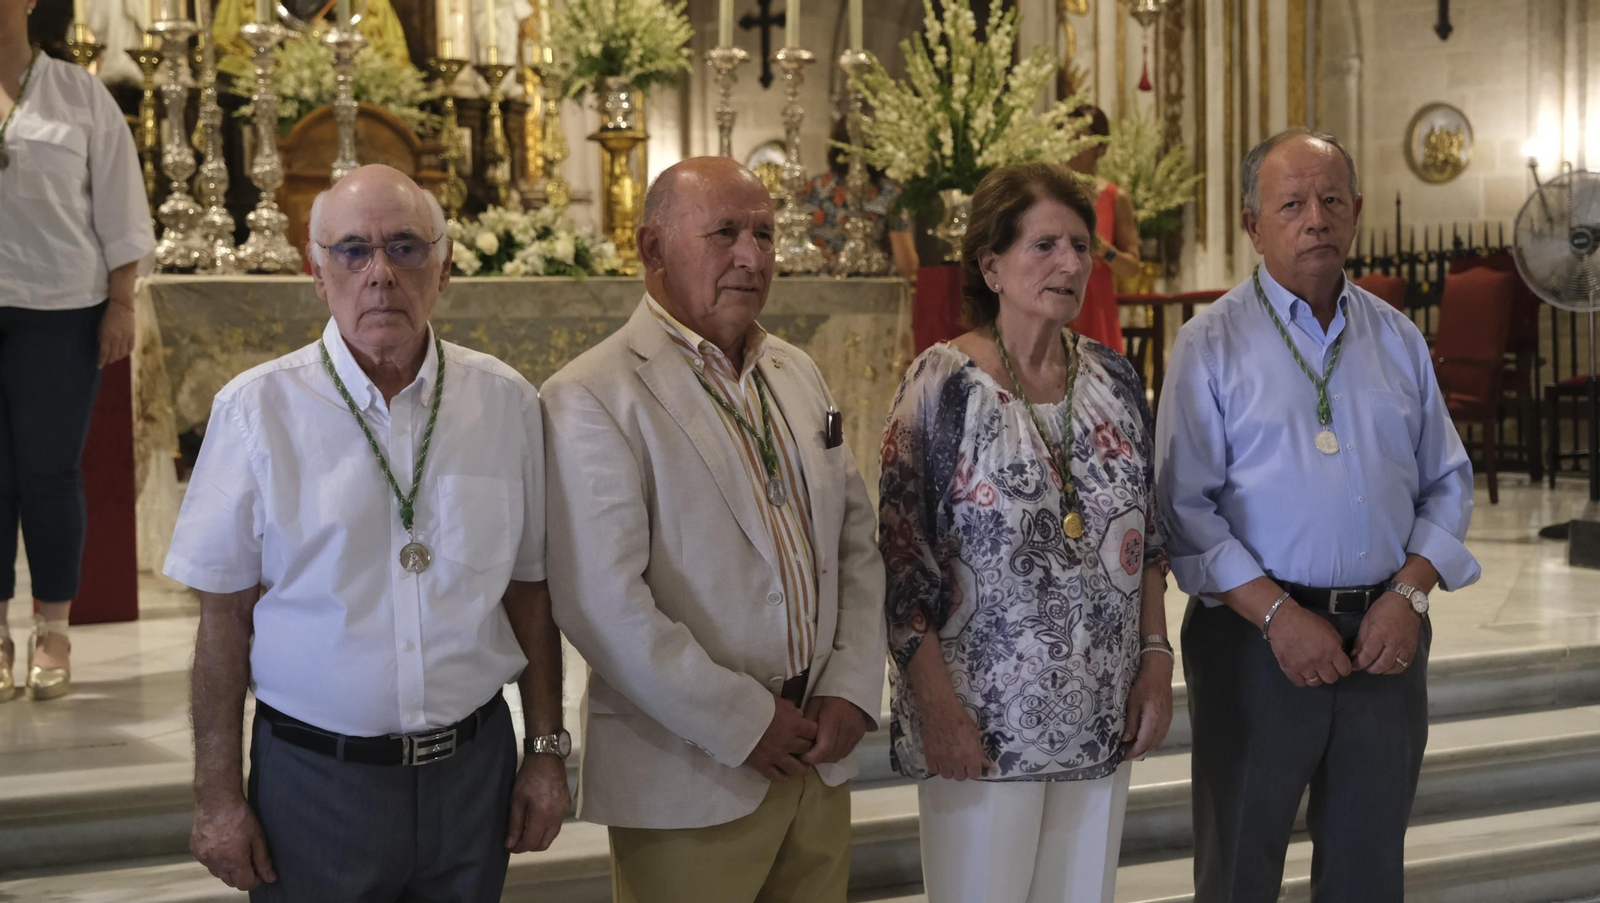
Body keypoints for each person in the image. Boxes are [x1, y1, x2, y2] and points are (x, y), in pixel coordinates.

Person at [164, 165, 570, 901]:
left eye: (406, 247)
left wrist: (546, 752)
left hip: (474, 779)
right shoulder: (257, 412)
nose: (380, 273)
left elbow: (531, 595)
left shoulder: (506, 403)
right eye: (352, 250)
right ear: (315, 272)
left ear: (444, 267)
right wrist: (216, 797)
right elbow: (222, 621)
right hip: (317, 787)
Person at [542, 156, 887, 903]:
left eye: (764, 234)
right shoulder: (591, 395)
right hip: (691, 768)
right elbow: (602, 603)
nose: (751, 256)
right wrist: (742, 722)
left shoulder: (796, 373)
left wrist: (851, 687)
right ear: (651, 248)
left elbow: (855, 543)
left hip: (816, 750)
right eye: (725, 232)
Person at [1155, 129, 1479, 902]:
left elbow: (1448, 480)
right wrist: (1276, 616)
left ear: (1358, 210)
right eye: (1292, 203)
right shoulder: (1211, 345)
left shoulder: (1396, 336)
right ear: (1251, 224)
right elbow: (1183, 508)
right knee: (1240, 868)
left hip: (1384, 643)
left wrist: (1409, 594)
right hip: (1253, 648)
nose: (1316, 219)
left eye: (1332, 200)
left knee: (1368, 874)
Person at [879, 162, 1173, 903]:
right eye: (1045, 245)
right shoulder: (940, 385)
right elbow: (900, 564)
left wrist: (1155, 660)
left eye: (1081, 245)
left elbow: (1149, 544)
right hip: (982, 724)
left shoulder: (1113, 378)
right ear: (991, 263)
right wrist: (938, 707)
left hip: (1100, 714)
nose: (1071, 263)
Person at [0, 0, 153, 703]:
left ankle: (53, 628)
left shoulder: (77, 90)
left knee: (49, 472)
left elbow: (122, 203)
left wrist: (122, 300)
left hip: (60, 309)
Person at [801, 117, 919, 283]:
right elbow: (907, 267)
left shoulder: (815, 188)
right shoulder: (890, 195)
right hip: (870, 291)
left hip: (818, 290)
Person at [1063, 105, 1142, 354]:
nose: (1072, 145)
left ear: (1101, 148)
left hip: (1096, 310)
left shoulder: (1115, 198)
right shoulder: (1047, 197)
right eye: (1067, 136)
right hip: (1055, 308)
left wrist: (1103, 249)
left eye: (1082, 138)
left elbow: (1132, 269)